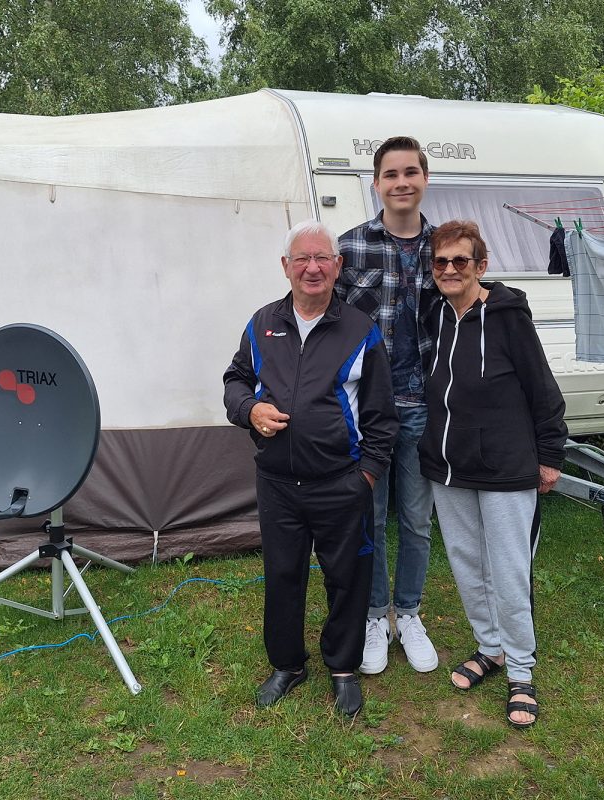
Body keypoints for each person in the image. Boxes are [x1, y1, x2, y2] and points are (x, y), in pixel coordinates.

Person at [223, 220, 398, 717]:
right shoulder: (262, 323)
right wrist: (249, 411)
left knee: (347, 576)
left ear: (338, 266)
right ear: (286, 267)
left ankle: (343, 669)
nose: (313, 268)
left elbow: (383, 416)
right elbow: (235, 379)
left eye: (323, 258)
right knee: (282, 574)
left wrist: (365, 475)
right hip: (277, 483)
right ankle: (287, 665)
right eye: (302, 259)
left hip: (340, 482)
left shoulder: (360, 329)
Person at [417, 220, 567, 730]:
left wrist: (549, 456)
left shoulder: (507, 316)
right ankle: (490, 648)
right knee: (465, 562)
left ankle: (521, 671)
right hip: (449, 467)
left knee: (508, 569)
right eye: (441, 261)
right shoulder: (434, 315)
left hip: (506, 468)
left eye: (461, 261)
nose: (450, 270)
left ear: (481, 266)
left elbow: (542, 389)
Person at [337, 135, 440, 675]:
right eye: (391, 174)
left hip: (424, 403)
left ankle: (410, 612)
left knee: (418, 520)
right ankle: (376, 616)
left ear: (425, 180)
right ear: (376, 184)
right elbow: (329, 327)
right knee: (370, 518)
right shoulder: (350, 247)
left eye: (411, 173)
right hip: (370, 410)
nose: (402, 183)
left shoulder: (444, 247)